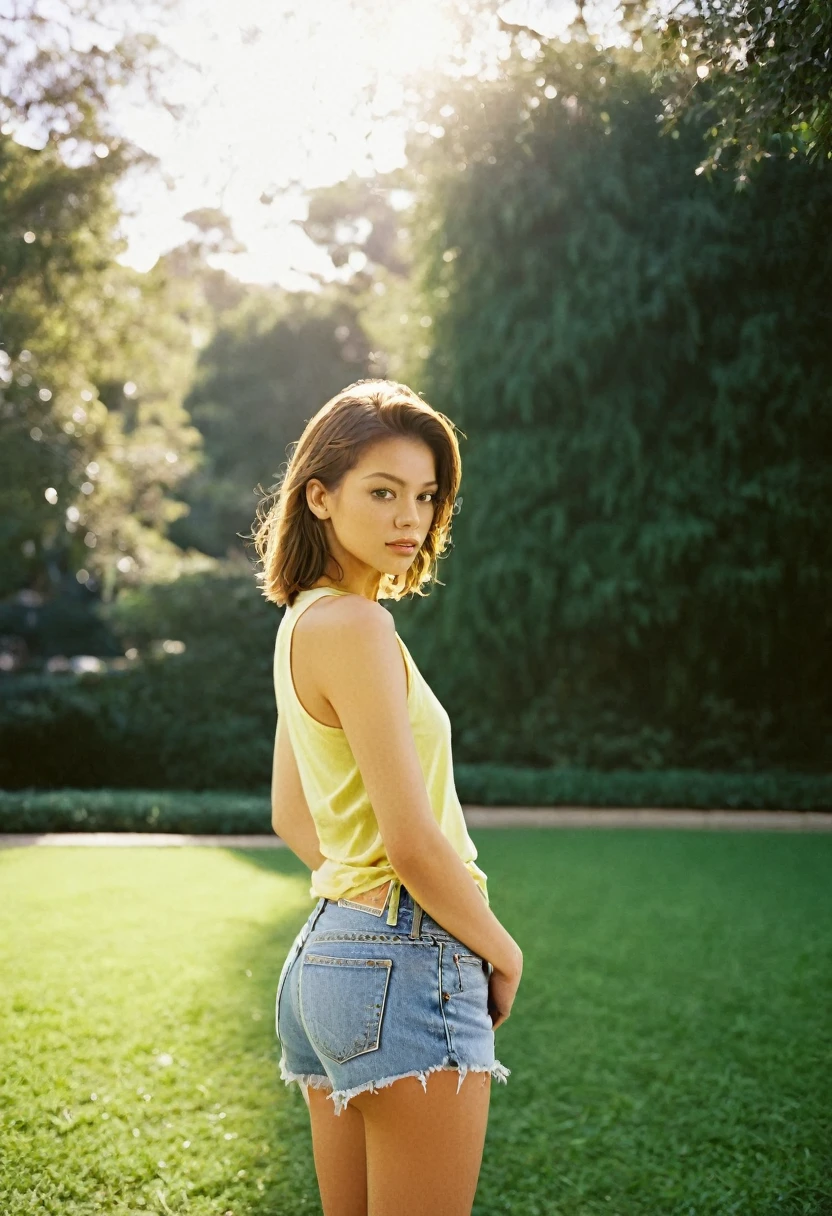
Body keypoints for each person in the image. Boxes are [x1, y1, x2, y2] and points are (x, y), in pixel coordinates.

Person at [251, 378, 523, 1216]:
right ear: (320, 496)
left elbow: (291, 818)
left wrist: (359, 911)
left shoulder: (303, 621)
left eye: (426, 495)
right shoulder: (361, 628)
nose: (411, 517)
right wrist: (501, 952)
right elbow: (409, 839)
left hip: (325, 962)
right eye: (383, 492)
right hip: (405, 958)